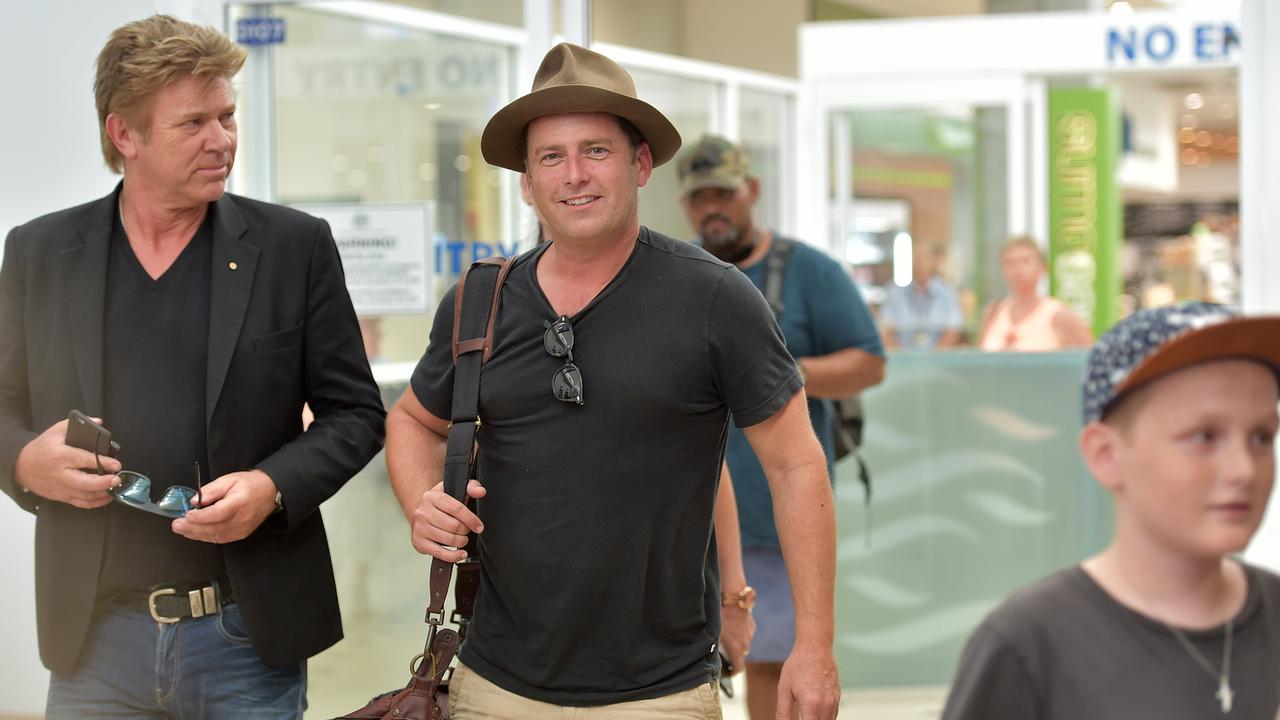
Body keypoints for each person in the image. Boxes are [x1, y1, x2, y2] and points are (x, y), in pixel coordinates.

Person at [386, 43, 840, 718]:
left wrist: (813, 645)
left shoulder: (716, 299)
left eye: (596, 150)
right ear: (526, 182)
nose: (574, 175)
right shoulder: (479, 301)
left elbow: (797, 464)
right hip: (493, 683)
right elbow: (412, 419)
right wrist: (422, 497)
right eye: (551, 156)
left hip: (662, 693)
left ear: (641, 163)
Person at [0, 16, 385, 718]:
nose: (223, 140)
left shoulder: (293, 247)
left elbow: (357, 415)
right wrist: (26, 461)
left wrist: (272, 487)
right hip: (93, 641)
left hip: (246, 636)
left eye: (228, 116)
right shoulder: (39, 252)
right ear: (125, 135)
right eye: (194, 124)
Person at [942, 302, 1280, 719]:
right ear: (1106, 455)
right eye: (1204, 436)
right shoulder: (1029, 645)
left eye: (1262, 437)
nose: (1243, 469)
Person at [676, 134, 884, 720]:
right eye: (698, 199)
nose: (711, 208)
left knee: (772, 661)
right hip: (688, 520)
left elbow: (869, 361)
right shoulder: (679, 274)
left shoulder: (810, 272)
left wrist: (781, 374)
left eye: (724, 193)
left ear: (753, 191)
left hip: (772, 514)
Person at [978, 236, 1093, 351]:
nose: (1017, 269)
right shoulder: (994, 312)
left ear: (1042, 267)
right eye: (1009, 263)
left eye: (1025, 261)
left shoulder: (1058, 314)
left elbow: (1091, 357)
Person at [880, 239, 964, 349]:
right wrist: (902, 359)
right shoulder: (894, 292)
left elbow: (953, 332)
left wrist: (934, 360)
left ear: (935, 261)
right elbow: (886, 331)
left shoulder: (948, 293)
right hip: (902, 361)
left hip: (938, 361)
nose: (919, 262)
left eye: (924, 257)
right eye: (916, 257)